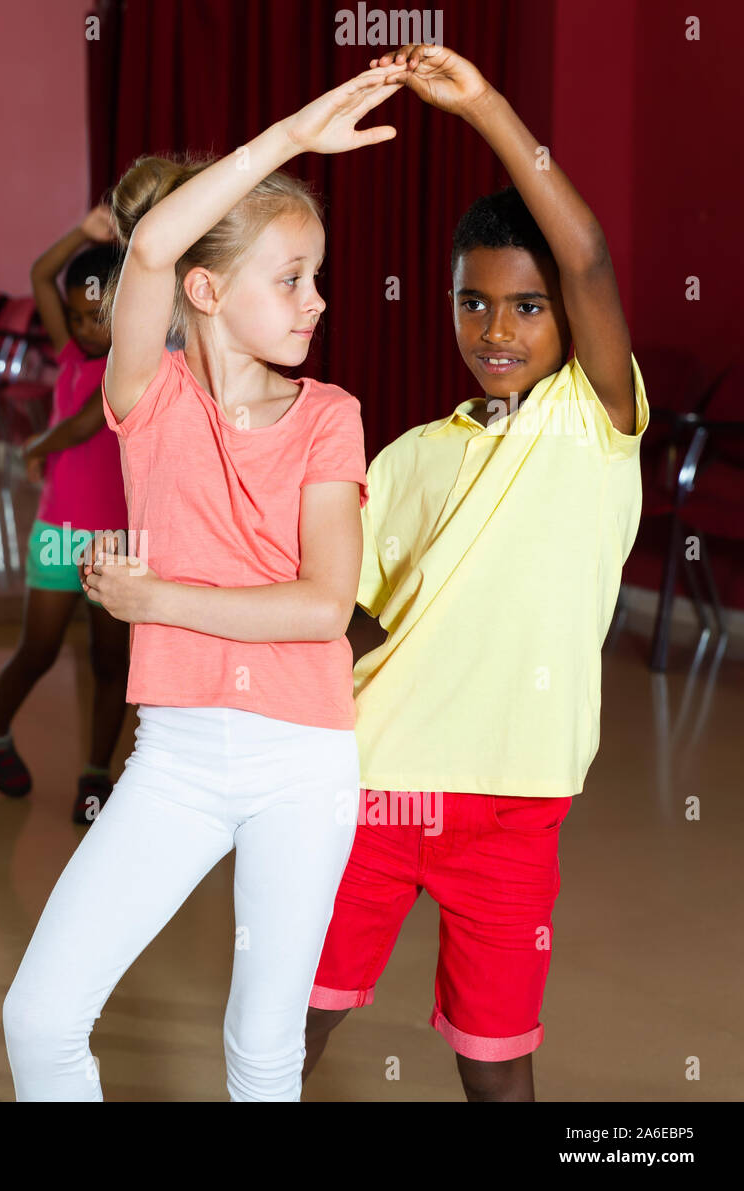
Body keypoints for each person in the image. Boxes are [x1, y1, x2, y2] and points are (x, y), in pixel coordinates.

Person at [2, 66, 403, 1101]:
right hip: (176, 758)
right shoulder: (150, 396)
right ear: (208, 290)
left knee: (262, 1050)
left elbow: (322, 605)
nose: (316, 301)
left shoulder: (330, 415)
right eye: (291, 277)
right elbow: (148, 248)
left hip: (301, 762)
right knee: (39, 1017)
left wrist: (156, 600)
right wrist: (290, 136)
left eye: (318, 277)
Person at [301, 45, 648, 1102]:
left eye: (526, 307)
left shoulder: (592, 424)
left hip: (512, 806)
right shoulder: (407, 457)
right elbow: (349, 617)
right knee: (292, 1018)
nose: (495, 330)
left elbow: (583, 253)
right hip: (367, 783)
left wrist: (486, 107)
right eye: (472, 303)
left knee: (495, 1060)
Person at [0, 205, 131, 823]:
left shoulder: (140, 363)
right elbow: (42, 275)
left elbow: (91, 419)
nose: (85, 328)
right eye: (76, 317)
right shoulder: (70, 352)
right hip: (59, 531)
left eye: (98, 317)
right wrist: (85, 236)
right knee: (37, 651)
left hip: (119, 539)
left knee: (109, 662)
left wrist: (38, 445)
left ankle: (95, 775)